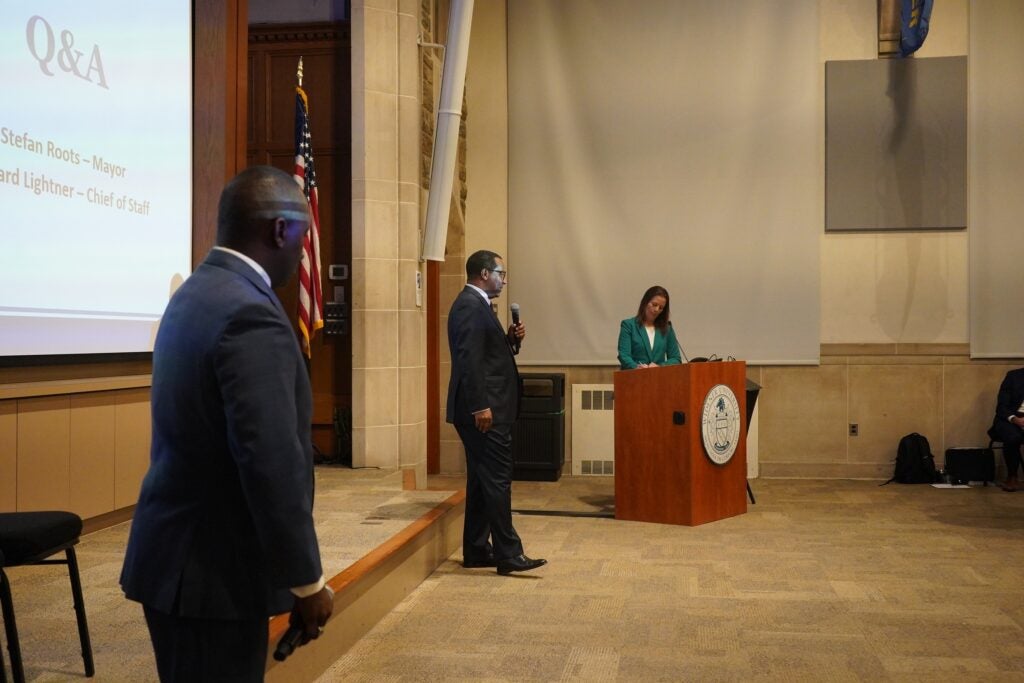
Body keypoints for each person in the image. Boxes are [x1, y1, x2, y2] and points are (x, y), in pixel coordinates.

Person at [120, 166, 333, 682]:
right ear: (279, 230)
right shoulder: (250, 315)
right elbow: (270, 461)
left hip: (175, 559)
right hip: (213, 575)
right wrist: (306, 583)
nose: (304, 250)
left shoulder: (194, 293)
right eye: (304, 233)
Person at [446, 250, 547, 575]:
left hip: (486, 408)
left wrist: (509, 341)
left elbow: (487, 356)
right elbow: (468, 360)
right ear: (484, 274)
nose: (504, 280)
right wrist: (480, 405)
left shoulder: (478, 306)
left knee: (481, 481)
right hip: (483, 411)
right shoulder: (468, 306)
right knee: (499, 480)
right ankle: (509, 553)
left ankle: (477, 549)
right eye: (501, 273)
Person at [617, 285, 683, 370]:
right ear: (645, 302)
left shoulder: (667, 328)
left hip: (658, 379)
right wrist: (637, 367)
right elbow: (624, 356)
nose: (656, 310)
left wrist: (660, 366)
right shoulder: (629, 325)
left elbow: (675, 359)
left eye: (661, 308)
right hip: (633, 378)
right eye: (654, 304)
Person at [988, 367, 1024, 492]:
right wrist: (1015, 419)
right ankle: (1012, 476)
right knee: (1013, 436)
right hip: (1009, 420)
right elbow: (1002, 406)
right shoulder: (1013, 377)